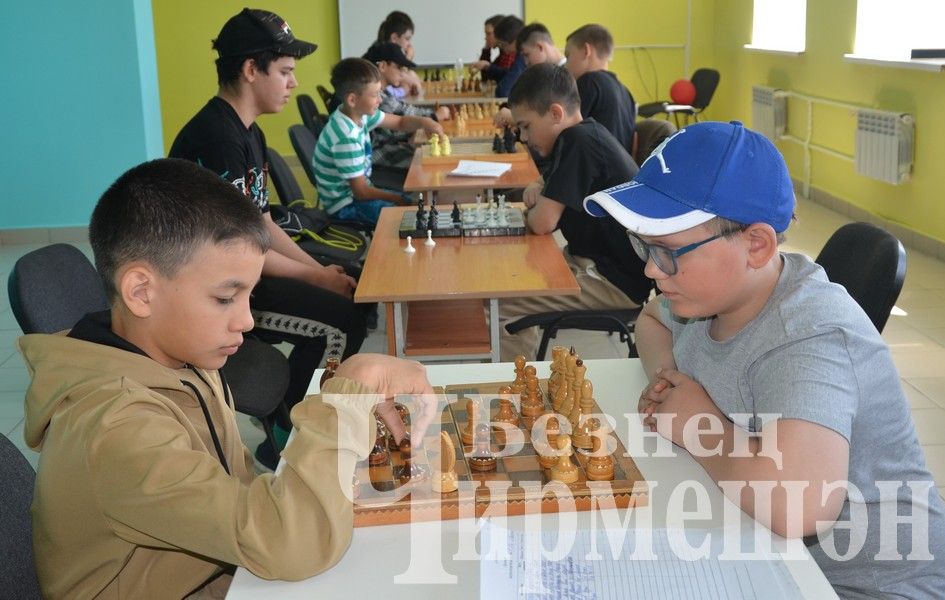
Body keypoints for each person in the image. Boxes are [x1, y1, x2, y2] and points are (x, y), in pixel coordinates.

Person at [18, 157, 438, 598]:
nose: (247, 321)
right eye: (225, 298)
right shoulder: (115, 428)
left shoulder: (180, 356)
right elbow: (291, 544)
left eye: (249, 296)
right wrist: (347, 394)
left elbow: (241, 501)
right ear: (141, 292)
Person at [584, 120, 945, 599]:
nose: (651, 269)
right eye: (644, 246)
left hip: (864, 583)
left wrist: (701, 425)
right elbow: (649, 320)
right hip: (762, 545)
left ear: (756, 245)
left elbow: (800, 506)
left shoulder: (807, 335)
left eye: (667, 251)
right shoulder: (698, 297)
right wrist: (672, 381)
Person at [168, 8, 370, 469]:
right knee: (341, 322)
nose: (293, 83)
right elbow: (240, 248)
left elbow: (261, 224)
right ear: (250, 70)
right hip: (216, 291)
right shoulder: (218, 139)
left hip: (242, 272)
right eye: (284, 72)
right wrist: (317, 281)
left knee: (348, 298)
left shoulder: (244, 131)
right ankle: (292, 435)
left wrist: (318, 272)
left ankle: (286, 419)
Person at [498, 64, 651, 361]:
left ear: (556, 113)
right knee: (511, 277)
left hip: (614, 281)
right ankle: (524, 368)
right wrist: (539, 187)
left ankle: (516, 394)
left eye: (526, 126)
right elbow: (547, 184)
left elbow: (543, 223)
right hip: (598, 264)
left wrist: (535, 206)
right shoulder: (583, 135)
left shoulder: (577, 142)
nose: (523, 137)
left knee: (502, 304)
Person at [314, 57, 442, 225]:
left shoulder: (358, 114)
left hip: (358, 193)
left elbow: (400, 122)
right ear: (353, 100)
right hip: (345, 206)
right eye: (375, 95)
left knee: (413, 203)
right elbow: (361, 192)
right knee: (409, 215)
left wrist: (424, 121)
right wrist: (398, 199)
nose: (380, 100)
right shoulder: (346, 136)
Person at [362, 42, 450, 188]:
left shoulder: (383, 93)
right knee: (431, 165)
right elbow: (400, 121)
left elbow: (402, 118)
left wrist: (426, 120)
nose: (403, 73)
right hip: (379, 155)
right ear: (383, 66)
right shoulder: (375, 98)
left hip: (387, 149)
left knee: (429, 157)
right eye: (399, 68)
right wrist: (433, 117)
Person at [564, 24, 636, 153]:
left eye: (568, 56)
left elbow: (566, 134)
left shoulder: (589, 82)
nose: (565, 65)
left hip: (595, 170)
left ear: (586, 50)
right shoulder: (626, 92)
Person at [493, 22, 566, 129]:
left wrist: (516, 118)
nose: (526, 62)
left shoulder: (568, 77)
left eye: (527, 55)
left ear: (540, 47)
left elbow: (559, 123)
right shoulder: (545, 74)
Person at [470, 14, 514, 82]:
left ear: (500, 33)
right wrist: (486, 50)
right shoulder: (501, 55)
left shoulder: (510, 54)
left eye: (489, 34)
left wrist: (487, 66)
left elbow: (505, 81)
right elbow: (486, 79)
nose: (485, 38)